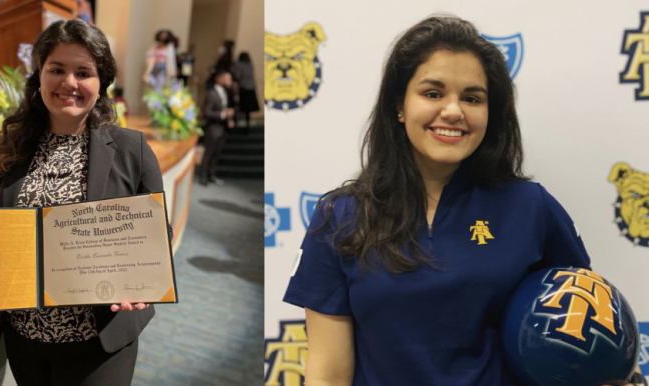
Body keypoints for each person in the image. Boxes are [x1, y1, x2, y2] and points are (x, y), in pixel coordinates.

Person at [283, 15, 646, 386]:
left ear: (490, 113)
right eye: (433, 93)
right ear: (399, 105)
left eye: (472, 98)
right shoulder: (341, 216)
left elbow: (588, 324)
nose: (453, 111)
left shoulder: (531, 207)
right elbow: (327, 373)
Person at [0, 19, 168, 385]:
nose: (69, 83)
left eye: (83, 72)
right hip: (25, 338)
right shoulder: (6, 149)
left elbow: (155, 232)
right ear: (39, 76)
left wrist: (145, 280)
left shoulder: (132, 149)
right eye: (57, 69)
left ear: (101, 83)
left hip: (99, 340)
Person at [199, 69, 234, 186]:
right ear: (219, 79)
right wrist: (223, 115)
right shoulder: (212, 93)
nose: (229, 81)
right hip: (212, 128)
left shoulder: (226, 92)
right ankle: (203, 176)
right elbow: (206, 112)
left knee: (216, 154)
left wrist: (228, 119)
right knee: (208, 153)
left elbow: (224, 108)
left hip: (221, 128)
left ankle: (211, 175)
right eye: (227, 78)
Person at [231, 52, 259, 128]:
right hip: (251, 87)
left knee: (241, 105)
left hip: (243, 87)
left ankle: (237, 122)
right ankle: (247, 123)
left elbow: (238, 75)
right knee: (248, 109)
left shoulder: (239, 65)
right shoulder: (250, 65)